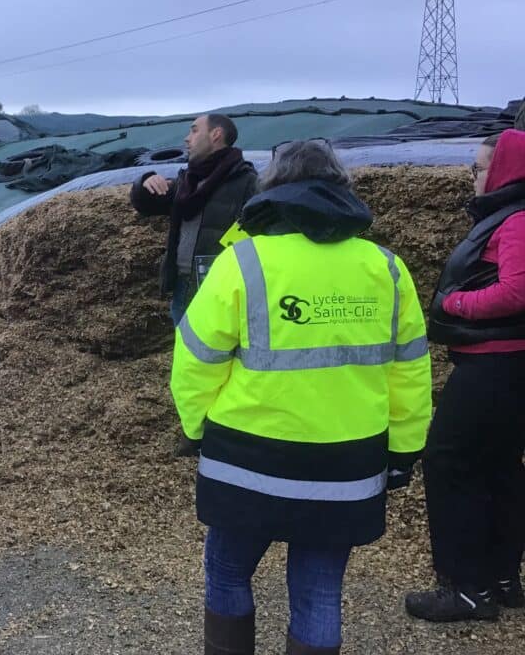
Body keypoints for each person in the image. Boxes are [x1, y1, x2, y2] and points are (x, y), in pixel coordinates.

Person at [172, 140, 432, 655]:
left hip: (246, 458)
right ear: (342, 189)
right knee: (318, 592)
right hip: (347, 466)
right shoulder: (387, 268)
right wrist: (403, 451)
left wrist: (198, 429)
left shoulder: (242, 261)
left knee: (226, 574)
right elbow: (410, 371)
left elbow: (196, 360)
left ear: (274, 187)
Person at [406, 129, 525, 622]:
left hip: (494, 364)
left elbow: (517, 292)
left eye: (478, 169)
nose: (471, 177)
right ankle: (500, 578)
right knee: (498, 465)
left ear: (504, 171)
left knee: (448, 462)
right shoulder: (511, 216)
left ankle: (465, 587)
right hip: (507, 366)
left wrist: (456, 304)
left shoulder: (516, 220)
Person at [130, 114, 258, 327]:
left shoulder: (246, 181)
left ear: (216, 134)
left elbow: (257, 235)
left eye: (194, 130)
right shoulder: (187, 180)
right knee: (186, 355)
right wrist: (145, 181)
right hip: (183, 287)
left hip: (222, 289)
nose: (187, 139)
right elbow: (145, 206)